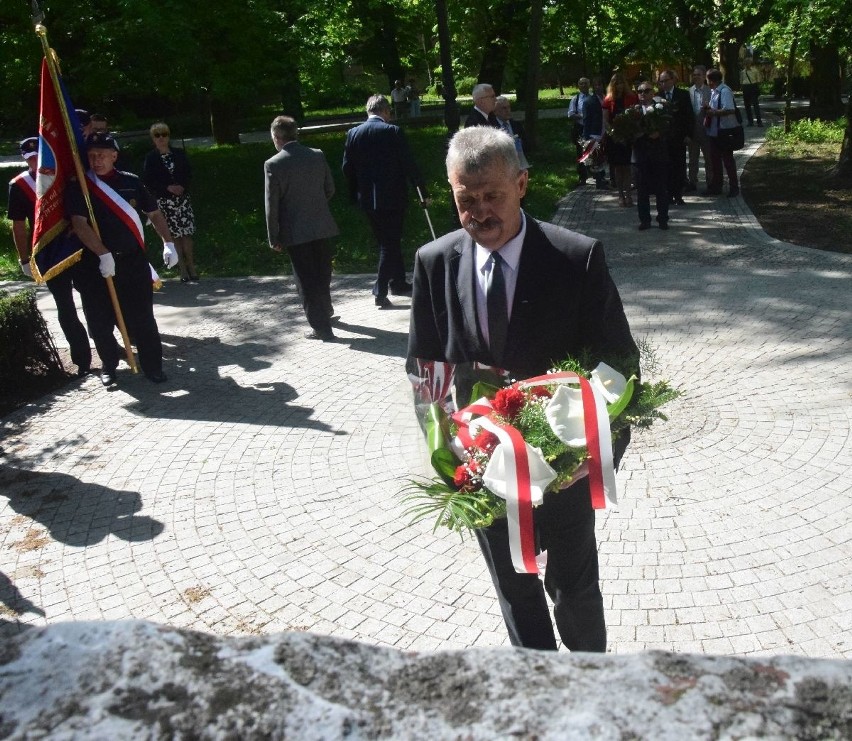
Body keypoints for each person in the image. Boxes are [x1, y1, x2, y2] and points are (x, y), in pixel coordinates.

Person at [406, 126, 638, 651]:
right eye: (466, 200)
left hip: (564, 469)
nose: (480, 212)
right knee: (514, 589)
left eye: (493, 196)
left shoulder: (575, 256)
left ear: (523, 184)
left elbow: (619, 361)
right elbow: (426, 370)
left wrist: (597, 454)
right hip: (483, 466)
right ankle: (536, 685)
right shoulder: (434, 262)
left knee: (575, 591)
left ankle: (587, 683)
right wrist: (447, 451)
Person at [67, 131, 178, 386]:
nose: (97, 160)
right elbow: (79, 224)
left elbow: (154, 213)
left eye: (102, 155)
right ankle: (109, 366)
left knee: (143, 317)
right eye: (92, 156)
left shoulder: (132, 181)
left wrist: (168, 242)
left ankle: (153, 367)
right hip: (97, 265)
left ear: (114, 156)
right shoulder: (81, 186)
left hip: (132, 261)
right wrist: (103, 254)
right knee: (100, 319)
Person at [7, 137, 93, 377]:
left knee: (93, 300)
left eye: (39, 157)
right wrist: (25, 259)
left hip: (77, 245)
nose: (36, 162)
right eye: (31, 159)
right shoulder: (20, 185)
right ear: (25, 160)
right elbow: (18, 226)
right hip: (49, 253)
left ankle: (108, 350)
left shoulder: (64, 177)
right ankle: (83, 360)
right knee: (65, 307)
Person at [342, 94, 429, 308]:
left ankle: (398, 282)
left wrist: (356, 191)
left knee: (387, 241)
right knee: (390, 243)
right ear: (386, 111)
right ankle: (380, 290)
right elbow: (408, 163)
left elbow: (347, 167)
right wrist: (421, 190)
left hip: (367, 199)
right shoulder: (393, 131)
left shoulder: (354, 133)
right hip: (392, 196)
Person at [264, 115, 338, 341]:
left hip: (295, 231)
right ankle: (325, 312)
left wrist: (273, 236)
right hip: (321, 225)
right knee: (323, 273)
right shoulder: (316, 155)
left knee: (305, 280)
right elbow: (330, 189)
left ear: (276, 137)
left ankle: (321, 328)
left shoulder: (273, 164)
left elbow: (271, 205)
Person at [142, 122, 199, 282]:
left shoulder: (179, 153)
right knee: (173, 236)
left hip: (182, 201)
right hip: (165, 202)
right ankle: (182, 270)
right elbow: (148, 180)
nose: (161, 138)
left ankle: (192, 266)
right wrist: (167, 188)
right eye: (157, 135)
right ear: (153, 138)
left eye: (164, 134)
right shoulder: (151, 158)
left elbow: (188, 173)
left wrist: (182, 186)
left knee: (186, 234)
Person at [632, 84, 670, 230]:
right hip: (640, 155)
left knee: (661, 188)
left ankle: (663, 219)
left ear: (652, 93)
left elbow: (670, 127)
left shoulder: (661, 107)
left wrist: (660, 133)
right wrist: (635, 134)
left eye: (646, 91)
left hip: (658, 154)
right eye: (639, 91)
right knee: (642, 190)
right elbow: (628, 132)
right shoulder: (633, 111)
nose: (642, 94)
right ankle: (645, 220)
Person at [656, 70, 693, 206]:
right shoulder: (657, 96)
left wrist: (689, 135)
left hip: (679, 137)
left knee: (679, 166)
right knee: (666, 167)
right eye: (661, 81)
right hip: (663, 138)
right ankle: (668, 194)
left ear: (673, 80)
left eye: (666, 80)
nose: (663, 84)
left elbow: (689, 116)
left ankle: (678, 195)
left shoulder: (682, 95)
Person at [602, 73, 638, 207]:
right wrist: (613, 133)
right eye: (616, 83)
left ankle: (629, 195)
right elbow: (606, 120)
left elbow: (635, 117)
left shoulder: (631, 98)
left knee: (627, 167)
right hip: (614, 138)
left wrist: (629, 133)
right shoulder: (608, 100)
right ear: (613, 85)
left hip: (627, 137)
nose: (619, 86)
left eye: (621, 83)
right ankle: (620, 195)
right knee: (618, 168)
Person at [703, 69, 740, 198]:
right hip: (714, 132)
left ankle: (734, 187)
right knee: (715, 161)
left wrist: (713, 112)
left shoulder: (724, 91)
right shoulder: (714, 91)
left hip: (724, 131)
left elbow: (730, 109)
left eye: (707, 79)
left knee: (728, 160)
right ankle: (717, 186)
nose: (706, 81)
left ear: (711, 80)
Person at [687, 65, 713, 192]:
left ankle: (710, 182)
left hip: (707, 131)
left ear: (704, 77)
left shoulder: (710, 91)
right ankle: (692, 181)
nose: (696, 77)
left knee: (709, 158)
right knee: (692, 159)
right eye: (694, 74)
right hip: (693, 131)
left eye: (699, 74)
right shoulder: (688, 92)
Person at [581, 78, 610, 189]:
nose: (598, 87)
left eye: (600, 84)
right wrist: (587, 137)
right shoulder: (589, 101)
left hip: (606, 130)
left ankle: (605, 178)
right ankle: (599, 180)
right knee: (596, 158)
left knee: (605, 156)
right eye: (596, 85)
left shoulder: (607, 98)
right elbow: (586, 120)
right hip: (595, 132)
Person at [567, 78, 592, 184]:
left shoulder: (592, 98)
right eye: (581, 84)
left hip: (591, 127)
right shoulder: (575, 99)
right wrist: (582, 116)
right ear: (578, 86)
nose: (583, 85)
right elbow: (571, 114)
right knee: (581, 152)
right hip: (580, 127)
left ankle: (595, 173)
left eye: (585, 83)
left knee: (593, 149)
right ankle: (582, 176)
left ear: (589, 85)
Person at [494, 96, 528, 169]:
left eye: (509, 107)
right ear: (495, 111)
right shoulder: (492, 128)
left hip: (519, 163)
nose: (508, 111)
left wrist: (520, 144)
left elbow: (526, 144)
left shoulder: (516, 125)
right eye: (504, 108)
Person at [740, 57, 763, 127]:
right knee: (747, 106)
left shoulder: (755, 71)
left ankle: (759, 122)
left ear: (750, 63)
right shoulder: (742, 72)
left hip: (753, 87)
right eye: (746, 63)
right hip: (745, 87)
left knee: (755, 105)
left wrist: (756, 88)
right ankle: (750, 121)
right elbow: (741, 81)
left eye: (748, 63)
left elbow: (759, 80)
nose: (747, 64)